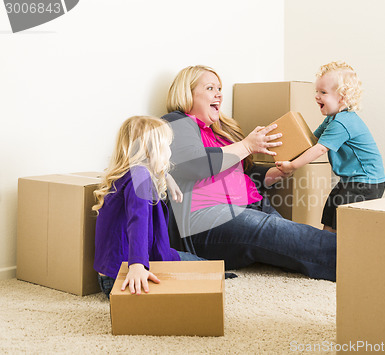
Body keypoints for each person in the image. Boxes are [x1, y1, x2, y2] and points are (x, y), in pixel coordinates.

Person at [161, 65, 337, 282]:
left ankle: (354, 257)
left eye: (219, 88)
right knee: (275, 232)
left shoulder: (221, 132)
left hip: (250, 205)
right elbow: (194, 164)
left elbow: (246, 172)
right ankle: (361, 259)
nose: (219, 94)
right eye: (210, 88)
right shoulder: (175, 122)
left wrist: (276, 173)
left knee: (291, 237)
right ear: (187, 94)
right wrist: (246, 146)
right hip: (205, 219)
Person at [92, 115, 201, 298]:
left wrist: (166, 175)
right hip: (129, 274)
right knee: (205, 269)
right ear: (152, 150)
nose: (169, 150)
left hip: (111, 274)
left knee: (194, 261)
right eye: (167, 145)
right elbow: (138, 221)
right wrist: (137, 265)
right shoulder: (141, 176)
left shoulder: (130, 173)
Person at [276, 61, 385, 233]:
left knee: (343, 221)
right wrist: (288, 150)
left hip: (366, 182)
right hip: (351, 180)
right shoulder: (332, 118)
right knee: (331, 208)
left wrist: (292, 165)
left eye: (323, 92)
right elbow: (311, 140)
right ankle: (324, 242)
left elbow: (319, 148)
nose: (316, 96)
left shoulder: (343, 122)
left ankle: (333, 250)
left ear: (342, 97)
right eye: (316, 91)